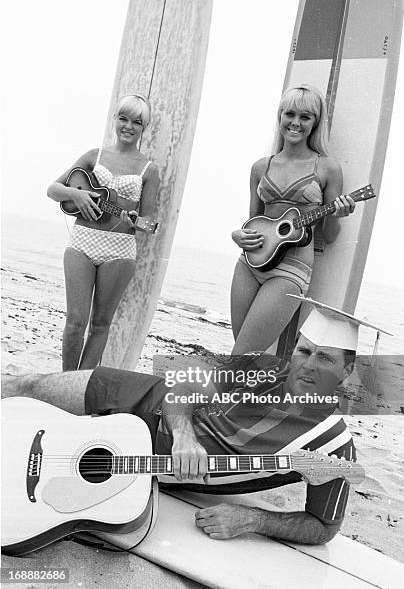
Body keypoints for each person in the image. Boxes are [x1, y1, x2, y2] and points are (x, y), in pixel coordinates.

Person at [2, 299, 385, 545]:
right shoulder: (262, 367)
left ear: (348, 369)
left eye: (326, 359)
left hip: (149, 463)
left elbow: (324, 526)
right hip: (149, 400)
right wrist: (185, 434)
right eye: (304, 351)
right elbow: (183, 382)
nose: (307, 365)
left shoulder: (331, 444)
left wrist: (253, 519)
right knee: (30, 385)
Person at [230, 84, 356, 355]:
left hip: (290, 271)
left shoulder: (327, 168)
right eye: (290, 114)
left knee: (240, 357)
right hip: (249, 264)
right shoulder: (260, 166)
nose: (296, 123)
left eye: (305, 117)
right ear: (280, 116)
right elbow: (255, 222)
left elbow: (330, 236)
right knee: (244, 356)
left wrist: (336, 215)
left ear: (315, 123)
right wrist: (238, 236)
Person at [47, 94, 159, 371]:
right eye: (123, 118)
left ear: (144, 127)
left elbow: (149, 221)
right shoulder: (93, 155)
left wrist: (137, 221)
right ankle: (64, 380)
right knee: (75, 322)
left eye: (136, 122)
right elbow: (52, 189)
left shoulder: (149, 169)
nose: (128, 126)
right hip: (82, 242)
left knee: (100, 324)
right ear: (115, 120)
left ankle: (81, 385)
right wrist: (77, 194)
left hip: (120, 249)